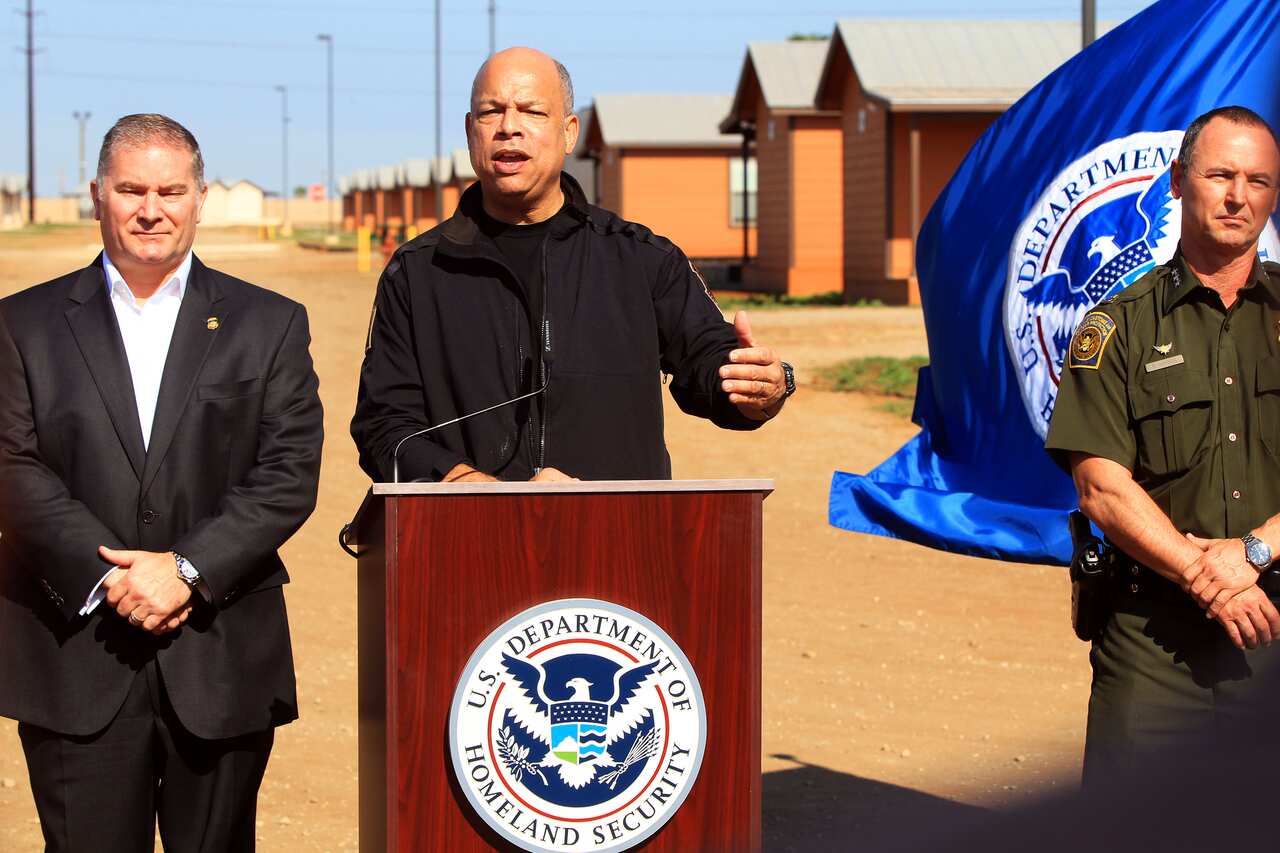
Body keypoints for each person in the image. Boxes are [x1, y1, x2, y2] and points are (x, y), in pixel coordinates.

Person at [0, 114, 323, 851]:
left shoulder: (268, 324)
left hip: (220, 655)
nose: (152, 208)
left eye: (171, 190)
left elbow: (289, 469)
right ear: (97, 195)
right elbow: (10, 464)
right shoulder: (21, 325)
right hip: (73, 654)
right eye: (132, 189)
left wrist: (186, 568)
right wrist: (107, 574)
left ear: (200, 198)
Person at [350, 47, 793, 483]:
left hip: (616, 538)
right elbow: (383, 427)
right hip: (470, 540)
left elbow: (711, 362)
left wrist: (761, 388)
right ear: (470, 131)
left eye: (532, 112)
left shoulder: (641, 259)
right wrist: (468, 487)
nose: (509, 128)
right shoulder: (417, 272)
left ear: (569, 132)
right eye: (491, 112)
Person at [1046, 105, 1280, 784]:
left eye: (1259, 180)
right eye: (1221, 174)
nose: (1238, 196)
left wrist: (1257, 550)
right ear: (1179, 181)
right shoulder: (1115, 326)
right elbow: (1100, 487)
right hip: (1153, 643)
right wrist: (1207, 575)